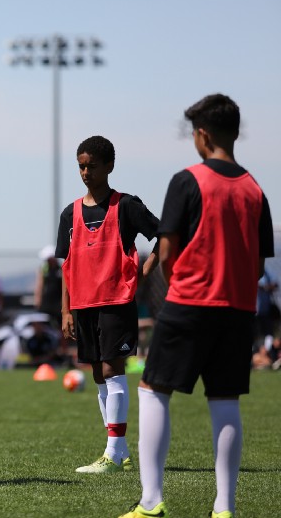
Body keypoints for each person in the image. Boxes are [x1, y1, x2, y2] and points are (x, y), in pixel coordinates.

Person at [118, 94, 274, 518]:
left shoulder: (187, 180)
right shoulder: (255, 190)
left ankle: (151, 501)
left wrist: (181, 287)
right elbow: (259, 265)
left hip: (189, 302)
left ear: (202, 135)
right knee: (225, 401)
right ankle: (225, 508)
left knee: (153, 390)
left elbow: (167, 251)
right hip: (238, 309)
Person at [57, 135, 159, 474]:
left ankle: (113, 453)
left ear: (109, 166)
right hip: (83, 305)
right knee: (99, 375)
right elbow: (67, 265)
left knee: (113, 370)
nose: (86, 173)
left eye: (92, 166)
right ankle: (119, 451)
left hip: (117, 301)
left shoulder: (126, 205)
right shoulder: (69, 214)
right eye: (81, 167)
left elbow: (163, 235)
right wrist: (66, 310)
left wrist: (143, 272)